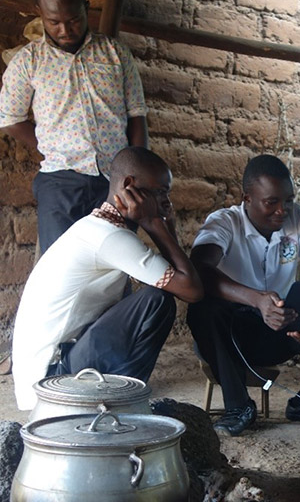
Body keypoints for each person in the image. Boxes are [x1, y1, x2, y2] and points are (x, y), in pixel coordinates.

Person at [187, 155, 300, 437]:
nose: (282, 210)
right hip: (232, 336)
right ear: (247, 198)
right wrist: (256, 299)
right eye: (271, 202)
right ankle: (239, 406)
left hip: (284, 326)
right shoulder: (224, 222)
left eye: (289, 200)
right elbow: (199, 269)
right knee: (204, 309)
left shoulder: (297, 219)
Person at [11, 147, 201, 411]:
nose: (166, 203)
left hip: (62, 362)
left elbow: (183, 280)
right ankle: (126, 404)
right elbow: (191, 290)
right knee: (156, 301)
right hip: (52, 378)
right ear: (129, 186)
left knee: (150, 298)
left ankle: (121, 401)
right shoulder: (109, 238)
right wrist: (155, 226)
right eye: (159, 193)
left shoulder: (101, 228)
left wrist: (165, 226)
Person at [0, 0, 149, 255]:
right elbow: (10, 119)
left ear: (86, 7)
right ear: (40, 13)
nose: (65, 29)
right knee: (61, 268)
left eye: (74, 19)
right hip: (61, 182)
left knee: (112, 269)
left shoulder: (115, 54)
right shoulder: (28, 62)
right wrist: (51, 145)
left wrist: (135, 175)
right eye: (54, 22)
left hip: (115, 180)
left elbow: (137, 115)